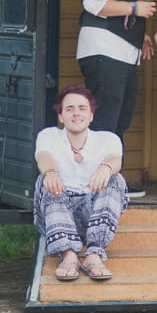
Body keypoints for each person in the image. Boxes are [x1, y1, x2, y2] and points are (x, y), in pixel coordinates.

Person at [78, 0, 156, 198]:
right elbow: (94, 2)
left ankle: (110, 183)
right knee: (107, 119)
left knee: (119, 118)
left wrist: (140, 33)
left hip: (120, 50)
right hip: (104, 50)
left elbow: (115, 2)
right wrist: (135, 9)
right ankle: (98, 188)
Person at [33, 85, 128, 281]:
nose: (76, 113)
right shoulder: (48, 135)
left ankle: (94, 254)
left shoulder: (108, 139)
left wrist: (105, 168)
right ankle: (68, 255)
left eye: (82, 108)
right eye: (69, 109)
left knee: (115, 179)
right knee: (45, 179)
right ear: (61, 116)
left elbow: (115, 159)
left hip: (94, 214)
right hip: (57, 214)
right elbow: (43, 156)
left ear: (91, 115)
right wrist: (50, 172)